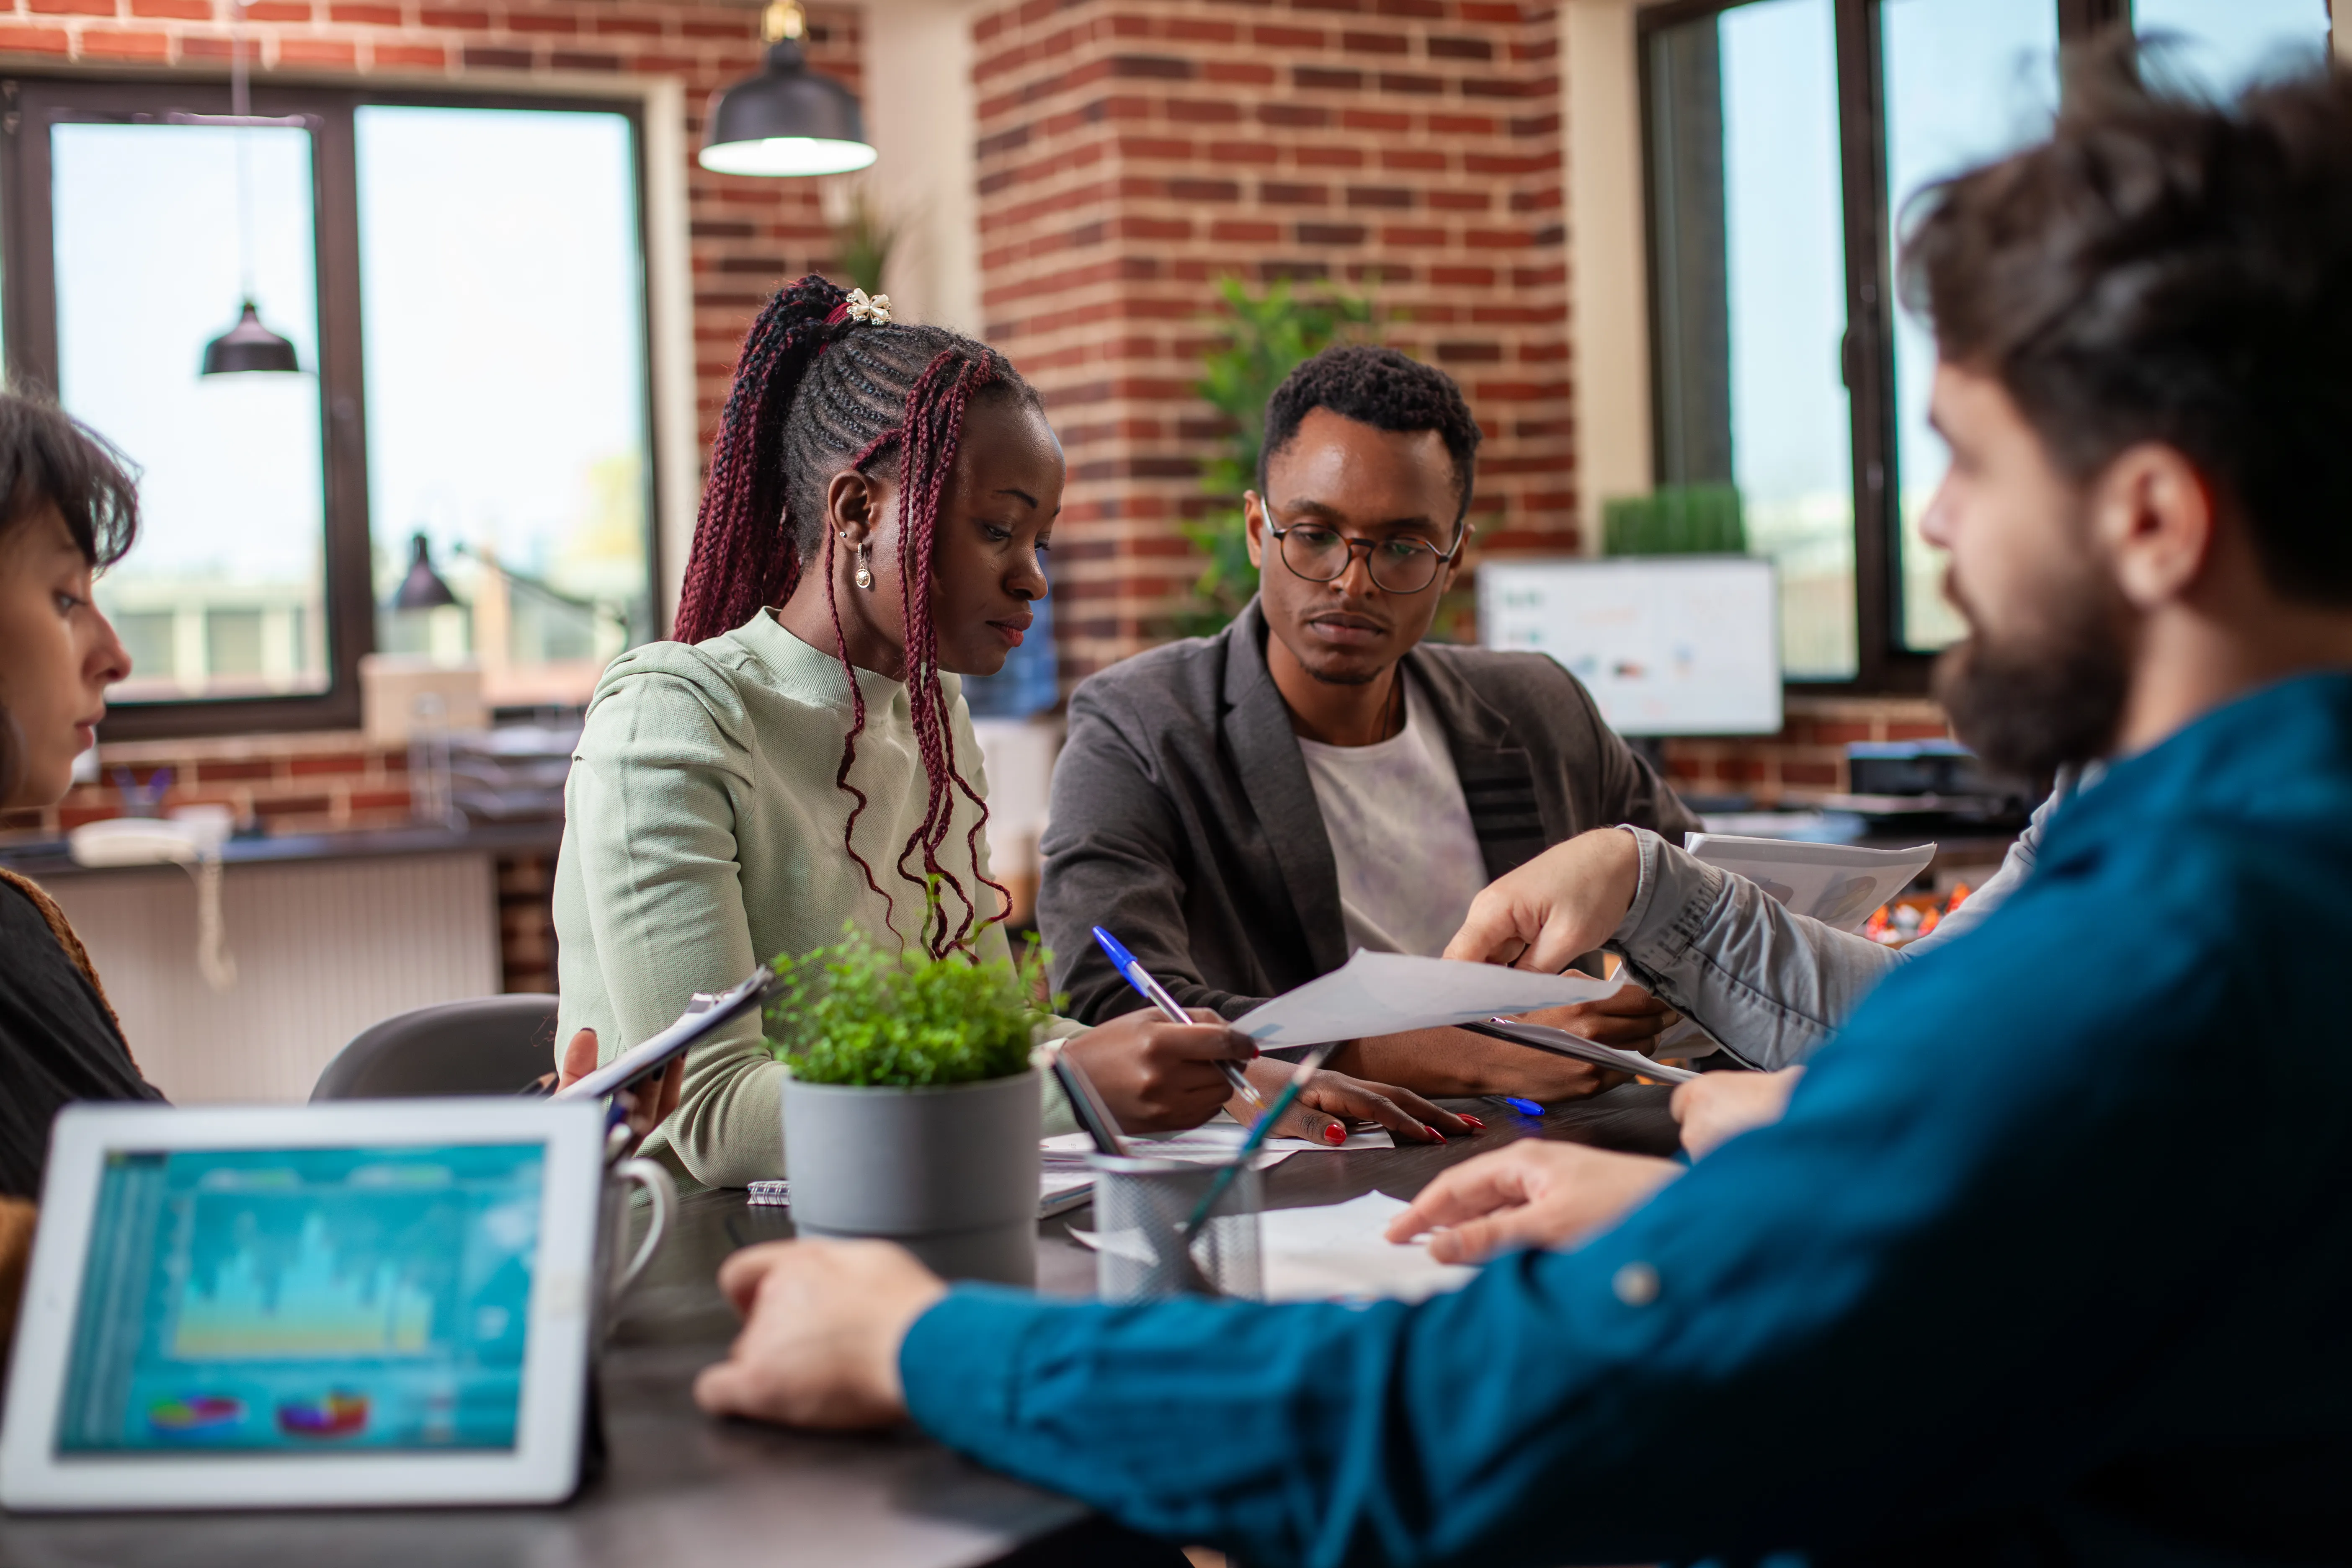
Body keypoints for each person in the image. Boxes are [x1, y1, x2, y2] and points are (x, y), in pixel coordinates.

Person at [686, 60, 2352, 1563]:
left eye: (1971, 462)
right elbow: (2007, 1264)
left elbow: (1480, 1422)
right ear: (1260, 533)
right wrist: (1712, 1220)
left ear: (2149, 517)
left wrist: (916, 1342)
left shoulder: (2159, 965)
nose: (1934, 526)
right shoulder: (2255, 883)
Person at [554, 279, 1474, 1191]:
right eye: (997, 529)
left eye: (1041, 539)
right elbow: (711, 1115)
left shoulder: (933, 713)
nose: (1034, 579)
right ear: (854, 513)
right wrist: (1070, 1087)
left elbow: (998, 1039)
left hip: (894, 1223)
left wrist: (1241, 1077)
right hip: (685, 1265)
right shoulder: (674, 713)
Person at [1038, 345, 1697, 1102]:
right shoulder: (1142, 725)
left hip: (1571, 1144)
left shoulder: (1538, 705)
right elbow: (1117, 1008)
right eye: (1315, 535)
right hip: (1327, 1170)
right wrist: (1484, 1058)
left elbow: (1707, 901)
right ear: (1258, 530)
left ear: (1453, 560)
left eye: (1404, 548)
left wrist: (1661, 987)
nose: (1353, 583)